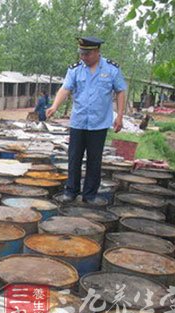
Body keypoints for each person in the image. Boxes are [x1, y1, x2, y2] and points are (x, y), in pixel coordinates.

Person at [46, 36, 126, 204]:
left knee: (94, 160)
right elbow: (65, 89)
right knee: (74, 157)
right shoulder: (75, 70)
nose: (83, 57)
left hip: (99, 123)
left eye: (87, 54)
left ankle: (89, 194)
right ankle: (71, 191)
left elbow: (120, 91)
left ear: (97, 52)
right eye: (81, 54)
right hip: (79, 122)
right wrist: (54, 106)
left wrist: (119, 115)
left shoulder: (111, 69)